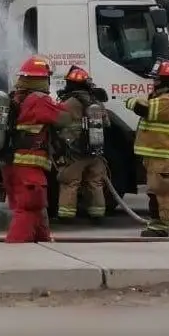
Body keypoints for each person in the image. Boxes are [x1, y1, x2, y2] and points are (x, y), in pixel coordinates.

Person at [4, 56, 73, 243]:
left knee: (38, 206)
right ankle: (15, 247)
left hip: (13, 165)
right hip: (29, 165)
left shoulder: (17, 98)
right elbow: (64, 117)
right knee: (29, 207)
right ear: (42, 80)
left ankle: (43, 240)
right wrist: (74, 99)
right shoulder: (39, 100)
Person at [124, 60, 169, 237]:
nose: (153, 83)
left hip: (162, 156)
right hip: (164, 154)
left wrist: (129, 101)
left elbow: (144, 109)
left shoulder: (168, 100)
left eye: (156, 79)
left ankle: (160, 225)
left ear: (162, 81)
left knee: (159, 193)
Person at [55, 65, 111, 224]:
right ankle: (97, 214)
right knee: (95, 182)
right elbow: (106, 123)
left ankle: (66, 216)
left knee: (70, 182)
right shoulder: (96, 101)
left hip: (75, 151)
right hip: (96, 151)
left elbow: (58, 122)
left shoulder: (70, 102)